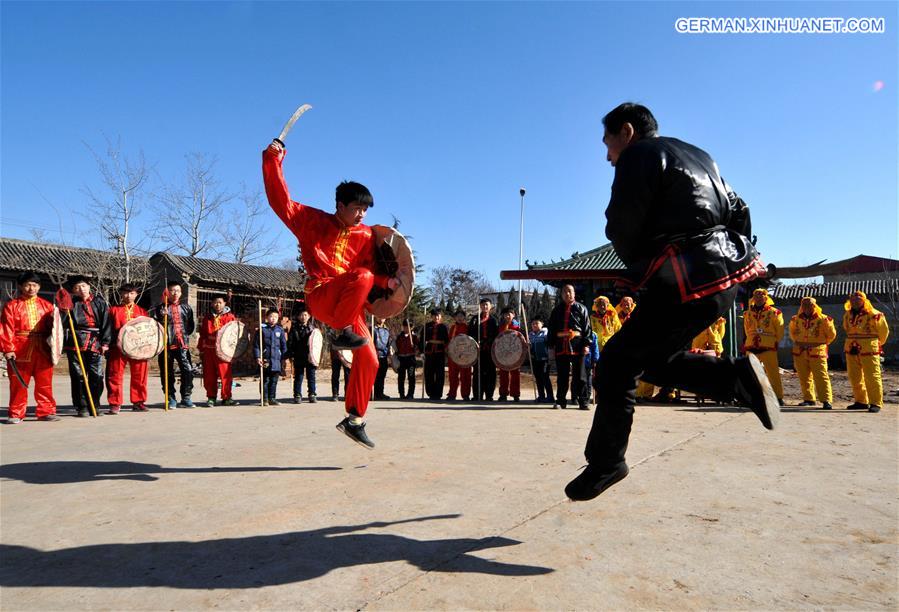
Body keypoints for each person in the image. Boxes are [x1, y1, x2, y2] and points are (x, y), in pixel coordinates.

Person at [565, 103, 775, 502]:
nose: (608, 156)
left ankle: (607, 461)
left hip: (684, 277)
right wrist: (741, 259)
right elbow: (740, 209)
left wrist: (639, 270)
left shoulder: (639, 155)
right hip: (723, 274)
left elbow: (622, 225)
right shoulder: (701, 155)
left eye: (607, 144)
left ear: (626, 132)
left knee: (616, 363)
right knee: (652, 361)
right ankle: (735, 380)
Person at [263, 140, 401, 448]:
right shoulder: (311, 222)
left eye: (365, 209)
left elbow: (370, 275)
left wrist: (391, 284)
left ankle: (354, 420)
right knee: (362, 277)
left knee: (370, 361)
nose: (361, 214)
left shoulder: (366, 236)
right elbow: (279, 201)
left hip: (349, 308)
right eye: (356, 208)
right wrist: (273, 160)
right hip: (322, 295)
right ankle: (339, 331)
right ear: (339, 205)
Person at [1, 271, 58, 423]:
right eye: (27, 285)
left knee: (44, 383)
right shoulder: (12, 306)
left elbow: (56, 328)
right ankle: (16, 413)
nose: (31, 288)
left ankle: (46, 411)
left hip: (43, 349)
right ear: (20, 286)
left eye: (34, 285)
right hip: (20, 348)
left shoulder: (47, 306)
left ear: (39, 287)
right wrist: (8, 349)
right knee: (18, 383)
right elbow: (6, 328)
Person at [65, 276, 112, 418]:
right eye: (77, 287)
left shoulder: (100, 302)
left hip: (95, 342)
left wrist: (105, 343)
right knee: (78, 376)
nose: (81, 289)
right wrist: (62, 307)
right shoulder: (70, 304)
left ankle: (95, 405)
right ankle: (82, 406)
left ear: (89, 287)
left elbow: (106, 323)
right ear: (73, 291)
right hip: (75, 343)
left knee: (96, 376)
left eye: (83, 286)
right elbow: (63, 321)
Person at [843, 291, 890, 413]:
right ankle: (861, 401)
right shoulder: (847, 315)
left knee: (872, 376)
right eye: (853, 299)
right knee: (854, 376)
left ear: (864, 300)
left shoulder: (875, 314)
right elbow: (846, 328)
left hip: (869, 349)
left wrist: (874, 344)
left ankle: (875, 403)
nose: (855, 301)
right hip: (851, 348)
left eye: (858, 299)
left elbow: (884, 333)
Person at [106, 283, 149, 414]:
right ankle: (115, 403)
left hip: (138, 348)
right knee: (114, 375)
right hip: (117, 348)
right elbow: (107, 329)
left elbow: (148, 330)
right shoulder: (113, 310)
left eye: (131, 293)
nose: (128, 296)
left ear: (136, 295)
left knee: (140, 375)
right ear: (120, 294)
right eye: (125, 293)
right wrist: (106, 344)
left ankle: (138, 402)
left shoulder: (142, 311)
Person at [547, 285, 591, 410]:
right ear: (561, 294)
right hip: (561, 345)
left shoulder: (582, 309)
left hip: (577, 344)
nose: (567, 293)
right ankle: (561, 401)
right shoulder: (556, 310)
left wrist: (586, 344)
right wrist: (551, 345)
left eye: (570, 291)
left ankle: (583, 401)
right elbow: (551, 329)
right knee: (562, 376)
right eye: (564, 291)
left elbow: (587, 328)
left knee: (581, 376)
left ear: (574, 293)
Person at [153, 280, 196, 409]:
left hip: (182, 344)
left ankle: (186, 397)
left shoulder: (186, 308)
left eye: (177, 290)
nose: (175, 293)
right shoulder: (160, 308)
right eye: (172, 290)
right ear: (167, 292)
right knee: (167, 372)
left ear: (181, 292)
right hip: (166, 345)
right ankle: (170, 397)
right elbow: (155, 326)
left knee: (187, 370)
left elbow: (190, 326)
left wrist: (183, 336)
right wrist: (162, 317)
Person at [788, 297, 836, 409]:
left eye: (809, 304)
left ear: (814, 306)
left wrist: (820, 343)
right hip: (800, 351)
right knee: (804, 377)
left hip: (817, 352)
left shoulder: (824, 319)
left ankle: (826, 400)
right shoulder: (795, 319)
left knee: (821, 376)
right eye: (804, 304)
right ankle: (809, 399)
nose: (806, 307)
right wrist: (800, 342)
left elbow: (831, 335)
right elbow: (792, 333)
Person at [743, 288, 785, 406]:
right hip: (751, 345)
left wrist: (774, 341)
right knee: (751, 372)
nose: (758, 298)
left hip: (768, 345)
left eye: (761, 296)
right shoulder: (748, 313)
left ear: (766, 298)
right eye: (756, 296)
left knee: (773, 373)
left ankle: (778, 397)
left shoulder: (775, 312)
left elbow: (780, 330)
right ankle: (751, 396)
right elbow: (747, 329)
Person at [198, 294, 237, 407]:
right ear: (212, 304)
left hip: (224, 351)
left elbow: (234, 334)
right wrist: (201, 349)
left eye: (220, 302)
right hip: (209, 350)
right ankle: (211, 397)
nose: (217, 304)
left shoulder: (230, 317)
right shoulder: (207, 318)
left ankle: (226, 397)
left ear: (225, 303)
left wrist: (233, 352)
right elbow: (203, 335)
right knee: (209, 375)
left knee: (225, 375)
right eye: (215, 302)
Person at [254, 308, 287, 406]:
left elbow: (283, 345)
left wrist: (285, 357)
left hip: (276, 360)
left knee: (274, 380)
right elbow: (256, 345)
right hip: (265, 359)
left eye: (276, 317)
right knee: (265, 380)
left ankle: (272, 398)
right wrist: (257, 357)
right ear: (267, 318)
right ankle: (264, 399)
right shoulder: (262, 330)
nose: (273, 318)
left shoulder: (279, 330)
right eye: (271, 316)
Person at [469, 298, 498, 402]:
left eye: (487, 305)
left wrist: (489, 341)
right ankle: (477, 395)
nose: (485, 307)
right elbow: (470, 333)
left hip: (490, 350)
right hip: (478, 350)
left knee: (490, 373)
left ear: (490, 306)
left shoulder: (494, 320)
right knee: (477, 372)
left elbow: (497, 335)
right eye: (483, 305)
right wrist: (476, 341)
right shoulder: (475, 319)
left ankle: (489, 395)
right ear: (480, 306)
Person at [288, 310, 318, 403]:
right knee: (298, 376)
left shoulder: (313, 328)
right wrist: (291, 354)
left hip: (310, 356)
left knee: (311, 376)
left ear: (309, 316)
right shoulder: (294, 328)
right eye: (301, 315)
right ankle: (297, 395)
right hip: (298, 355)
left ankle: (312, 394)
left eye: (305, 315)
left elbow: (317, 343)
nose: (303, 317)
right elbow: (290, 342)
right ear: (298, 316)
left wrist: (316, 356)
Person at [422, 308, 449, 400]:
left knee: (439, 374)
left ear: (441, 316)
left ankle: (438, 394)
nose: (436, 317)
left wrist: (446, 353)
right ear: (431, 316)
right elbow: (422, 339)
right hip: (429, 353)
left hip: (440, 353)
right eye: (434, 315)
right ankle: (430, 393)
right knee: (428, 373)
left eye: (438, 315)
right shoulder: (427, 326)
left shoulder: (444, 327)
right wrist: (422, 351)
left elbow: (447, 341)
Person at [497, 306, 522, 402]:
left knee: (515, 374)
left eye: (509, 314)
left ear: (514, 315)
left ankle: (515, 394)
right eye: (505, 314)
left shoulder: (517, 327)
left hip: (515, 354)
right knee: (503, 374)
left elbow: (521, 339)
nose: (507, 316)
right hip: (503, 354)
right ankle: (503, 394)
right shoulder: (500, 327)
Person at [447, 309, 472, 401]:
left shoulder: (467, 328)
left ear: (464, 318)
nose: (460, 318)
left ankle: (465, 395)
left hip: (465, 355)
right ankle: (452, 394)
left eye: (462, 316)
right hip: (453, 355)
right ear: (455, 318)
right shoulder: (452, 328)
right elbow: (449, 341)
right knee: (453, 376)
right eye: (458, 316)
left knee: (465, 375)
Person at [528, 317, 553, 404]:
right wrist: (528, 346)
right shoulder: (530, 335)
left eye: (537, 323)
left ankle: (550, 397)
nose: (534, 325)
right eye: (533, 324)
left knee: (545, 377)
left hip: (545, 359)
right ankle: (541, 396)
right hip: (535, 359)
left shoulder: (546, 333)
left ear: (542, 324)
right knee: (538, 378)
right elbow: (530, 347)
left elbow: (550, 343)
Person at [395, 319, 419, 399]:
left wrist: (415, 347)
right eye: (405, 327)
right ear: (403, 327)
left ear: (412, 327)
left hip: (411, 359)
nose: (406, 329)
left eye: (408, 327)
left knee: (411, 377)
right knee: (401, 377)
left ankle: (410, 394)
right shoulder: (399, 337)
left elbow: (418, 349)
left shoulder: (415, 337)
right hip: (401, 359)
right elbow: (396, 348)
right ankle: (401, 394)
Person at [372, 317, 392, 400]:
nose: (381, 319)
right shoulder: (372, 329)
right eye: (379, 316)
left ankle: (380, 393)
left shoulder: (387, 330)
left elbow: (388, 343)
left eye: (383, 317)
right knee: (374, 376)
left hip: (383, 355)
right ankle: (372, 393)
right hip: (374, 355)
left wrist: (389, 354)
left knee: (382, 375)